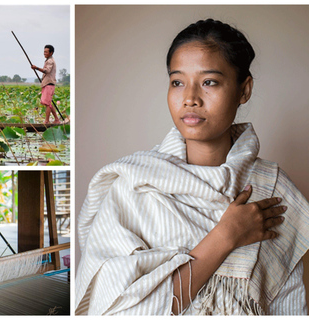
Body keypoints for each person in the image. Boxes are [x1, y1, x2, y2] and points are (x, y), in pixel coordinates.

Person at [75, 19, 309, 315]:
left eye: (209, 82)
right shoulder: (133, 187)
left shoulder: (273, 191)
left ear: (244, 90)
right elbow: (118, 310)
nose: (190, 98)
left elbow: (290, 305)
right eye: (177, 82)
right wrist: (226, 236)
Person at [31, 44, 61, 124]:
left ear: (51, 53)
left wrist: (36, 68)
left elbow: (47, 71)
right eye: (44, 52)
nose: (44, 53)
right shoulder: (48, 60)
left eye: (46, 52)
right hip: (47, 84)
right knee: (48, 103)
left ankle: (46, 121)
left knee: (47, 104)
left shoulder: (50, 61)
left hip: (49, 84)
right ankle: (57, 120)